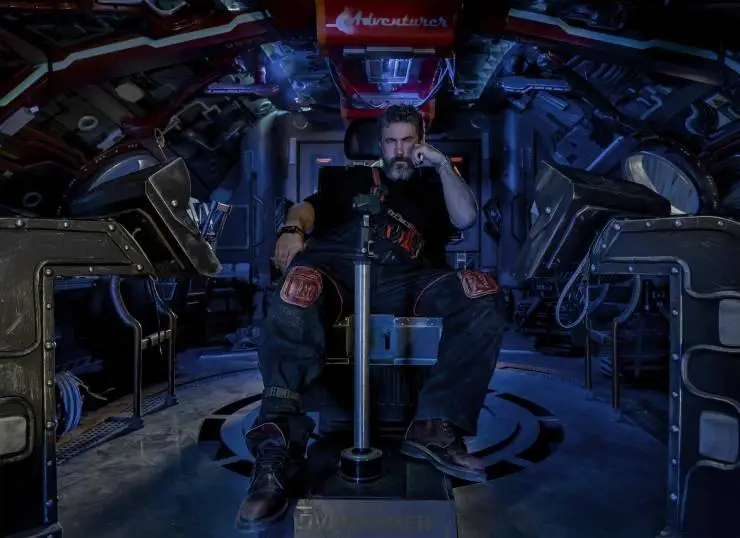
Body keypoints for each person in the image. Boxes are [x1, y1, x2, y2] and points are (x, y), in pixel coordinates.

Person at [236, 105, 508, 532]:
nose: (399, 150)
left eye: (407, 141)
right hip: (337, 274)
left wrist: (441, 164)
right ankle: (277, 451)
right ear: (380, 145)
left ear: (420, 142)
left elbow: (467, 217)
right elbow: (307, 210)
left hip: (408, 280)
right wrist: (291, 230)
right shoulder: (349, 180)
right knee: (296, 288)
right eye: (391, 141)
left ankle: (434, 426)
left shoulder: (435, 187)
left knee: (482, 291)